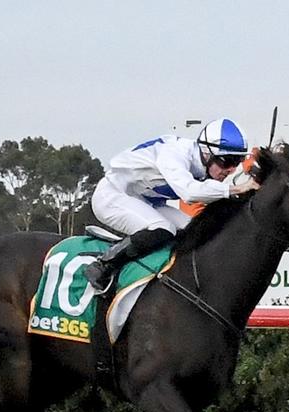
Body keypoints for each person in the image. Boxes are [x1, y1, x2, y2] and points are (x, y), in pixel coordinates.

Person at [84, 118, 261, 292]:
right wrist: (237, 188)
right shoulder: (174, 153)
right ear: (207, 153)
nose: (231, 170)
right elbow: (190, 193)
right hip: (112, 196)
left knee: (196, 229)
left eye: (236, 162)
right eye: (228, 161)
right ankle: (103, 265)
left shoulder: (202, 162)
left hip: (145, 201)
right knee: (163, 227)